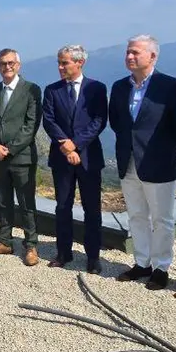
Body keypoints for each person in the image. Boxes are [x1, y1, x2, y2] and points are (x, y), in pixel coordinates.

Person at [108, 35, 176, 290]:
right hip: (128, 160)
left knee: (162, 219)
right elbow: (117, 122)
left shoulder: (171, 86)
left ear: (153, 56)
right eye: (128, 52)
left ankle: (161, 266)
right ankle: (142, 263)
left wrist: (168, 152)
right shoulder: (120, 86)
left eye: (135, 53)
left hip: (159, 162)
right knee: (136, 215)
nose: (130, 57)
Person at [42, 44, 108, 272]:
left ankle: (93, 256)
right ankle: (63, 253)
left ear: (80, 63)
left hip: (89, 157)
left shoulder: (97, 88)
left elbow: (99, 121)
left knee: (92, 208)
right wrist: (66, 147)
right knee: (62, 206)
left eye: (65, 63)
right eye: (59, 62)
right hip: (61, 158)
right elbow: (49, 121)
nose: (60, 67)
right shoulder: (52, 90)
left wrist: (77, 144)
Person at [0, 48, 44, 265]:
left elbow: (31, 124)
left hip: (22, 157)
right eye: (2, 64)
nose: (7, 67)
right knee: (3, 201)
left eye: (10, 63)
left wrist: (11, 148)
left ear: (18, 64)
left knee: (27, 203)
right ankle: (4, 241)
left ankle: (31, 245)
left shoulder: (32, 90)